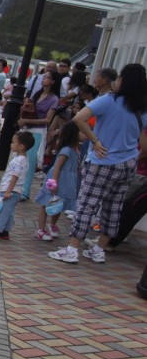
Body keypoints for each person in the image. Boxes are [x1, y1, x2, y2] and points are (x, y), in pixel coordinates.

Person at [49, 63, 147, 264]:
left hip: (102, 160)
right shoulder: (142, 108)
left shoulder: (109, 101)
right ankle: (99, 249)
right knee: (114, 207)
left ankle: (72, 248)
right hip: (127, 164)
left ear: (124, 81)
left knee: (86, 205)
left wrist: (95, 140)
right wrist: (132, 157)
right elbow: (144, 145)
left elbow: (79, 118)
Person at [0, 131, 36, 239]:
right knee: (8, 211)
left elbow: (15, 176)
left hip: (11, 190)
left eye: (13, 143)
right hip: (14, 191)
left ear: (21, 146)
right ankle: (4, 230)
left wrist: (8, 191)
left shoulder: (19, 160)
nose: (11, 144)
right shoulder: (24, 158)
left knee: (2, 210)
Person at [33, 121, 82, 241]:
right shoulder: (67, 150)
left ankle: (52, 225)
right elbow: (58, 167)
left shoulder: (77, 150)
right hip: (56, 179)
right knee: (46, 203)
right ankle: (40, 229)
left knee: (59, 204)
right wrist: (53, 183)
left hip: (67, 182)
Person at [17, 70, 61, 180]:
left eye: (46, 77)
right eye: (44, 76)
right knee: (19, 158)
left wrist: (26, 120)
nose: (43, 78)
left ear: (53, 81)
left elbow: (47, 120)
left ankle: (24, 191)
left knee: (31, 161)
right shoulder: (37, 94)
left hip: (38, 131)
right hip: (27, 128)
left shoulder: (54, 98)